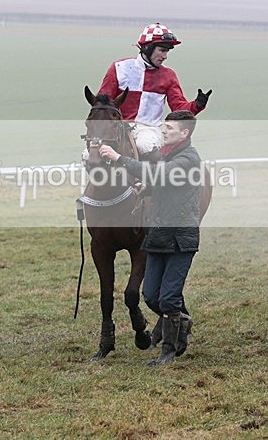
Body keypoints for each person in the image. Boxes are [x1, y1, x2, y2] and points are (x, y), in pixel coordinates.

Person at [99, 110, 203, 365]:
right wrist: (147, 187)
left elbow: (162, 175)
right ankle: (183, 321)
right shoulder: (169, 156)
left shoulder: (188, 159)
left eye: (169, 128)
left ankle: (169, 349)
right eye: (163, 126)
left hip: (180, 239)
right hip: (158, 236)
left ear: (184, 133)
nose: (163, 131)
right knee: (150, 296)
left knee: (168, 298)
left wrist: (118, 158)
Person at [95, 23, 212, 160]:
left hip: (148, 129)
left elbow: (179, 110)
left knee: (145, 144)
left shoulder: (169, 75)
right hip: (117, 128)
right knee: (88, 155)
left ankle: (157, 179)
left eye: (167, 51)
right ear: (147, 48)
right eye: (162, 50)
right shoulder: (119, 67)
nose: (165, 56)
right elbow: (101, 104)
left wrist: (197, 105)